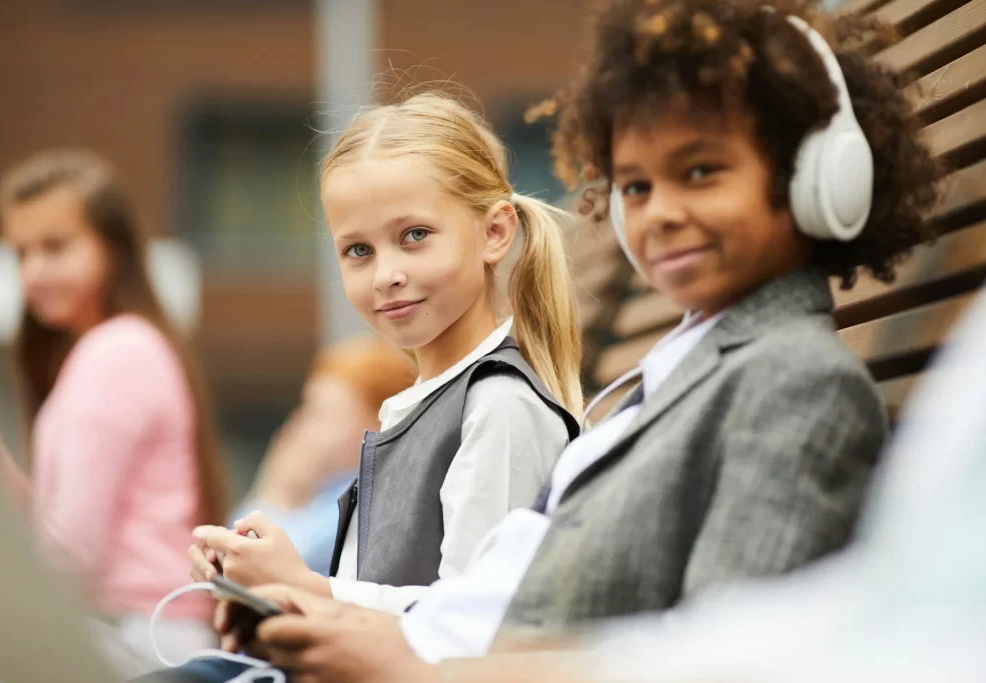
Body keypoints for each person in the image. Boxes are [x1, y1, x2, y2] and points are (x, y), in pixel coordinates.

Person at [202, 0, 942, 678]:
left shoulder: (798, 384)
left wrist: (408, 669)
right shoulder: (669, 379)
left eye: (702, 172)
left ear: (819, 178)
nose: (661, 213)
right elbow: (482, 606)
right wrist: (317, 600)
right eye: (638, 186)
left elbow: (726, 659)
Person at [168, 91, 583, 683]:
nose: (387, 273)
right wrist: (279, 605)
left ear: (494, 232)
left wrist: (305, 586)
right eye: (358, 250)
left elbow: (470, 633)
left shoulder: (500, 405)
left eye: (415, 235)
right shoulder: (420, 406)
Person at [0, 149, 229, 676]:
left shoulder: (116, 353)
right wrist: (3, 479)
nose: (35, 271)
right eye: (21, 253)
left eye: (55, 247)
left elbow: (72, 556)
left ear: (113, 248)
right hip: (145, 631)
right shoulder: (122, 347)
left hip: (135, 635)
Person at [226, 337, 417, 574]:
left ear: (378, 424)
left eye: (323, 415)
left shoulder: (368, 504)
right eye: (306, 409)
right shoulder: (324, 493)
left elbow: (255, 564)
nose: (301, 425)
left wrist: (279, 492)